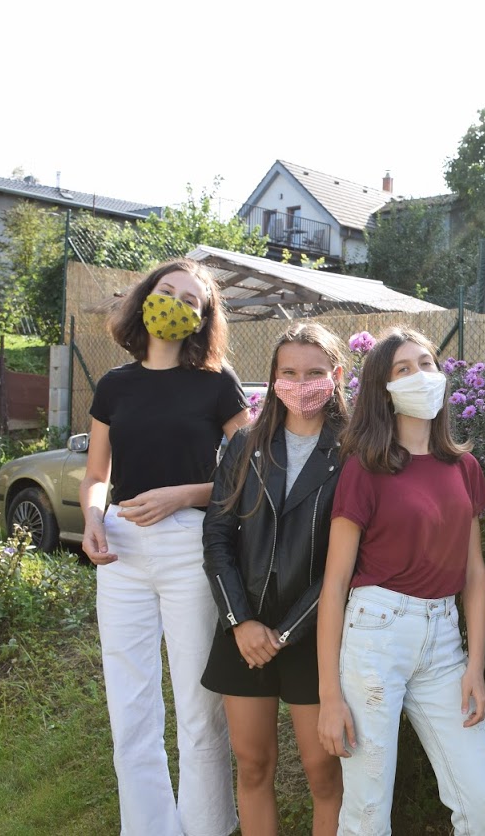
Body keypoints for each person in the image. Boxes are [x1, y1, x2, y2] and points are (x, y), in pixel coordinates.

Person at [316, 327, 485, 836]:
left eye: (426, 364)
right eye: (403, 369)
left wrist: (475, 666)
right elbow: (335, 586)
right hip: (375, 635)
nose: (420, 375)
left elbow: (474, 572)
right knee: (367, 812)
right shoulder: (364, 469)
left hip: (445, 642)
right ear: (384, 390)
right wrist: (330, 696)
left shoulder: (464, 467)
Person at [79, 258, 248, 836]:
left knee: (199, 706)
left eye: (190, 299)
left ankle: (207, 827)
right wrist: (94, 516)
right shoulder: (114, 385)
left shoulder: (218, 383)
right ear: (146, 296)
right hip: (121, 549)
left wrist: (185, 495)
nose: (174, 302)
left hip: (188, 549)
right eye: (166, 290)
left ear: (203, 318)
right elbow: (96, 474)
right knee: (130, 706)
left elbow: (251, 469)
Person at [201, 323, 348, 835]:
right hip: (245, 629)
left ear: (336, 375)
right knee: (253, 765)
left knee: (323, 773)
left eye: (314, 372)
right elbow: (217, 535)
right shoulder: (245, 445)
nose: (301, 384)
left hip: (316, 633)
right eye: (289, 372)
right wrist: (240, 621)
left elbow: (349, 564)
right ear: (273, 377)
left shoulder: (353, 453)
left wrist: (286, 633)